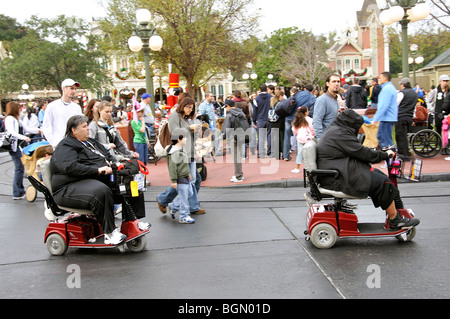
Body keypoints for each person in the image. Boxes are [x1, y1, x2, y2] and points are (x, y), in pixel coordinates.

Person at [50, 115, 149, 245]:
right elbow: (69, 167)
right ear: (74, 130)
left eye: (87, 125)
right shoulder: (66, 145)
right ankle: (109, 233)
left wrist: (116, 164)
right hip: (68, 188)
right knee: (101, 191)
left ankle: (132, 221)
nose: (88, 129)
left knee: (131, 184)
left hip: (90, 181)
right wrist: (97, 170)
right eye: (84, 127)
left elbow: (107, 155)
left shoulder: (90, 142)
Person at [317, 109, 420, 229]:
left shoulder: (337, 129)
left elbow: (357, 150)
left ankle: (396, 213)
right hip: (337, 176)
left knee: (379, 175)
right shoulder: (340, 134)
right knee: (384, 182)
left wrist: (379, 153)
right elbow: (362, 153)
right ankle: (394, 219)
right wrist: (384, 155)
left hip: (338, 170)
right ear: (352, 125)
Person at [156, 97, 205, 215]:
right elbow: (175, 133)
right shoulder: (175, 116)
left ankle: (185, 204)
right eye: (188, 107)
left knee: (191, 181)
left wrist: (196, 131)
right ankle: (175, 203)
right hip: (181, 153)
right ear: (183, 105)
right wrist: (190, 128)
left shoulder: (188, 118)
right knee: (187, 181)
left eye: (192, 108)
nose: (190, 110)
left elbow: (189, 136)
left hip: (189, 152)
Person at [42, 79, 83, 148]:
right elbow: (46, 126)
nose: (74, 91)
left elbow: (79, 125)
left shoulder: (76, 107)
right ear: (64, 88)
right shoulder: (52, 106)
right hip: (59, 144)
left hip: (74, 144)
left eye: (75, 89)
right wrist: (54, 143)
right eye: (71, 88)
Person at [166, 135, 195, 224]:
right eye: (185, 137)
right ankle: (183, 216)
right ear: (179, 140)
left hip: (185, 176)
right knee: (184, 198)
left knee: (190, 193)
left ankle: (173, 206)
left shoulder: (181, 149)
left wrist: (188, 173)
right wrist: (174, 180)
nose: (186, 139)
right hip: (180, 178)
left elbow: (184, 164)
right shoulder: (175, 152)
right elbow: (172, 168)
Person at [5, 102, 31, 200]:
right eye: (18, 108)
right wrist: (24, 137)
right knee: (19, 168)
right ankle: (17, 192)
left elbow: (27, 128)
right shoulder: (9, 119)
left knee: (20, 168)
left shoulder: (17, 119)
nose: (20, 109)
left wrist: (38, 130)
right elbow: (11, 131)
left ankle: (19, 191)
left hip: (18, 146)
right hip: (13, 146)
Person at [221, 99, 250, 182]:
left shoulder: (230, 114)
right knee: (238, 156)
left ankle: (238, 176)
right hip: (241, 135)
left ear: (228, 106)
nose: (225, 108)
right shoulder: (241, 113)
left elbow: (226, 128)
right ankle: (240, 174)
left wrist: (222, 137)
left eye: (226, 106)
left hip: (233, 137)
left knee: (236, 157)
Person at [284, 87, 314, 160]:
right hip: (299, 118)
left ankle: (286, 155)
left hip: (289, 117)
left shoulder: (298, 94)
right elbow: (313, 108)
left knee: (287, 136)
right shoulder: (311, 97)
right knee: (300, 135)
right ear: (312, 90)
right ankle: (299, 156)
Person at [373, 72, 398, 148]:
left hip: (386, 118)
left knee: (385, 141)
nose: (378, 79)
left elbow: (383, 105)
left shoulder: (386, 89)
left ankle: (390, 157)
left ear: (385, 78)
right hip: (388, 117)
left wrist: (376, 118)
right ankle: (391, 156)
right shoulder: (389, 88)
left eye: (380, 78)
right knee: (385, 139)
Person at [312, 74, 341, 140]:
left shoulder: (335, 99)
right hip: (326, 140)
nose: (336, 84)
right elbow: (317, 121)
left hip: (336, 138)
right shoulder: (322, 100)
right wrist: (320, 140)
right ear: (327, 84)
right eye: (333, 81)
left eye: (338, 82)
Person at [396, 78, 418, 157]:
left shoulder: (402, 93)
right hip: (409, 117)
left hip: (401, 116)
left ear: (403, 85)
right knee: (404, 136)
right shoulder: (415, 94)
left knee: (400, 136)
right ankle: (405, 152)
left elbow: (396, 104)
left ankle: (403, 154)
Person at [291, 106, 314, 174]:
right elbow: (312, 128)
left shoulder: (297, 120)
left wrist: (298, 134)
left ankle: (297, 168)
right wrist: (313, 134)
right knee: (310, 154)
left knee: (300, 153)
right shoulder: (309, 120)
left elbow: (294, 130)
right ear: (305, 112)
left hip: (300, 138)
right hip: (308, 138)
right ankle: (310, 168)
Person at [252, 84, 273, 158]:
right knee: (269, 136)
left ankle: (261, 153)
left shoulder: (256, 99)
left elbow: (254, 112)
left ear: (259, 90)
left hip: (260, 119)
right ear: (267, 89)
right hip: (269, 119)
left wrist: (254, 121)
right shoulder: (271, 98)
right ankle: (270, 152)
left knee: (261, 137)